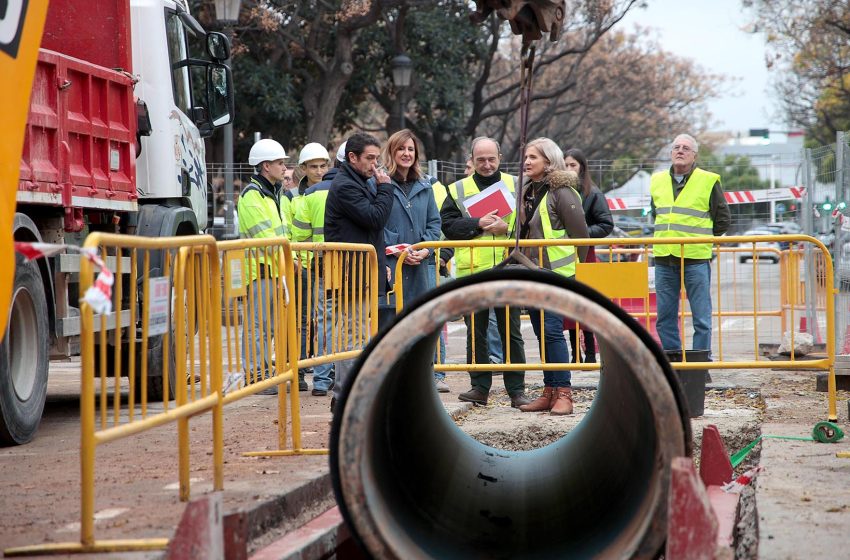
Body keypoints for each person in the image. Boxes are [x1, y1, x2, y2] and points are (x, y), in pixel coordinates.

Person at [441, 137, 529, 408]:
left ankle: (517, 391)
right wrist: (478, 223)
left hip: (507, 266)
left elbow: (529, 227)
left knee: (510, 330)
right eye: (481, 160)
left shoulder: (517, 185)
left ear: (500, 158)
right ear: (472, 160)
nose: (487, 164)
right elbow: (448, 226)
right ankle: (479, 387)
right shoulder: (457, 189)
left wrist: (508, 231)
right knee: (475, 331)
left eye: (491, 159)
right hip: (473, 270)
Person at [515, 138, 588, 415]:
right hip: (532, 273)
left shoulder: (563, 191)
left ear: (549, 161)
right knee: (541, 333)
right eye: (526, 157)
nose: (527, 162)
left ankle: (564, 394)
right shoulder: (527, 191)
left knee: (552, 332)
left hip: (557, 274)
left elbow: (582, 237)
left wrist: (574, 273)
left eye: (533, 157)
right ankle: (549, 390)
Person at [325, 132, 395, 408]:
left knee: (358, 332)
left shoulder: (360, 181)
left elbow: (371, 231)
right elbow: (375, 219)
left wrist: (381, 264)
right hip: (350, 270)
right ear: (352, 157)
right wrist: (386, 188)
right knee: (352, 333)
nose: (375, 165)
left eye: (377, 158)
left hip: (361, 268)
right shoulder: (346, 186)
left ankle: (350, 391)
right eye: (370, 158)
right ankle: (345, 394)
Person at [376, 130, 444, 390]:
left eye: (411, 150)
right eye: (401, 149)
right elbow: (377, 224)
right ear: (392, 152)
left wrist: (425, 250)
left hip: (420, 267)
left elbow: (434, 224)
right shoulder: (379, 184)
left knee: (421, 323)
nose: (406, 154)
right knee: (389, 321)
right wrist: (396, 251)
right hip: (392, 267)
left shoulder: (425, 186)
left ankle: (423, 377)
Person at [650, 133, 730, 354]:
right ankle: (675, 364)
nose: (680, 151)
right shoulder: (657, 180)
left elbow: (723, 218)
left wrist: (701, 238)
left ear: (694, 155)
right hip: (665, 258)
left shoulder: (708, 180)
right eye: (676, 147)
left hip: (695, 258)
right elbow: (657, 213)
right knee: (665, 317)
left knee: (701, 318)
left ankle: (700, 366)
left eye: (686, 148)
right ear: (671, 153)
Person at [238, 139, 290, 395]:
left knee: (266, 326)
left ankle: (262, 373)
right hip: (260, 271)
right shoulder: (252, 195)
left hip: (272, 270)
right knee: (256, 326)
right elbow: (264, 236)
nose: (284, 167)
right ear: (266, 166)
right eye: (280, 163)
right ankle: (255, 376)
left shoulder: (271, 194)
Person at [563, 147, 613, 363]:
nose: (568, 169)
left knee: (586, 305)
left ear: (582, 167)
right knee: (569, 306)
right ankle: (575, 354)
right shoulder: (558, 192)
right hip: (563, 255)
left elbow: (606, 224)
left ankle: (591, 354)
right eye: (565, 165)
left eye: (573, 165)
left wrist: (581, 235)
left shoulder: (593, 193)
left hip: (585, 255)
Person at [291, 142, 333, 395]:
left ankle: (321, 374)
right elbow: (296, 232)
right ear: (303, 169)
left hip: (319, 265)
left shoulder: (326, 192)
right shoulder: (294, 196)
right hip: (303, 265)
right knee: (303, 322)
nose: (319, 171)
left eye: (322, 166)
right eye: (313, 167)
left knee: (322, 321)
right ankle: (302, 371)